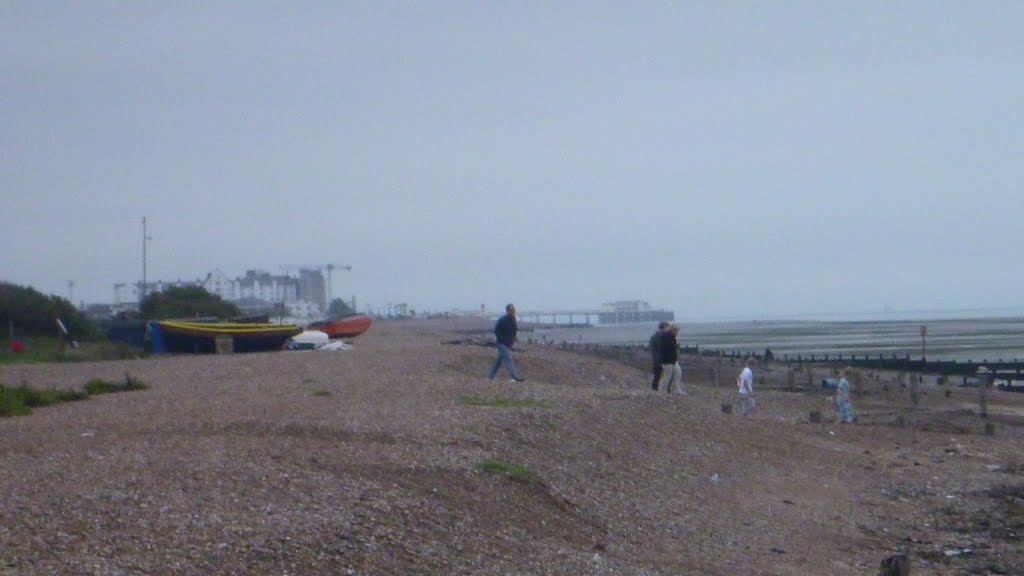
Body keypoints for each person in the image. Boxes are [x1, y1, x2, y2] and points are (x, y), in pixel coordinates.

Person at [487, 304, 525, 382]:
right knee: (508, 359)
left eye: (513, 310)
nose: (513, 311)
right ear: (507, 311)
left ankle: (490, 377)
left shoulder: (513, 320)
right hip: (501, 343)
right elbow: (496, 330)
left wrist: (514, 339)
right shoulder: (502, 320)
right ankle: (515, 377)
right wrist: (501, 339)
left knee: (498, 361)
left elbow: (514, 330)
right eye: (511, 310)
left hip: (508, 344)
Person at [656, 324, 684, 394]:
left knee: (678, 372)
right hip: (667, 360)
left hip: (673, 360)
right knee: (668, 375)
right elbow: (666, 349)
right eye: (676, 331)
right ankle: (662, 390)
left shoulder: (672, 337)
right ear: (672, 330)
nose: (677, 333)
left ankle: (677, 389)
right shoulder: (667, 337)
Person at [649, 321, 669, 390]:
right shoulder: (654, 337)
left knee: (667, 375)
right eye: (666, 328)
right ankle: (654, 389)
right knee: (657, 375)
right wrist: (658, 358)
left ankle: (666, 389)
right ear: (662, 328)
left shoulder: (667, 336)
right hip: (658, 360)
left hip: (666, 359)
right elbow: (653, 349)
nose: (668, 330)